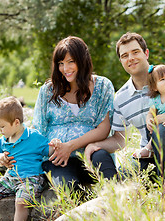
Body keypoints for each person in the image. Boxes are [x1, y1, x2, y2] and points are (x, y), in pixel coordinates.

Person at [85, 32, 165, 198]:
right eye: (125, 55)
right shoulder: (121, 98)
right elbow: (119, 139)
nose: (130, 58)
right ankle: (116, 199)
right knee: (119, 175)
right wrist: (96, 145)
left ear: (146, 53)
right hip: (151, 157)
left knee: (162, 129)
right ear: (121, 62)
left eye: (135, 52)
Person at [33, 36, 115, 189]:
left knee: (105, 166)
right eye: (61, 63)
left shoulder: (103, 86)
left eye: (71, 62)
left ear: (82, 60)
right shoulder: (47, 91)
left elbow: (104, 130)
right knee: (69, 187)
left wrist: (70, 146)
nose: (66, 69)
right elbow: (38, 130)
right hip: (58, 159)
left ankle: (119, 203)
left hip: (91, 154)